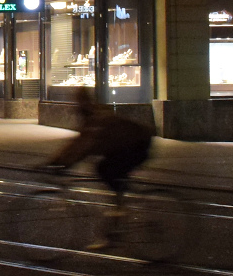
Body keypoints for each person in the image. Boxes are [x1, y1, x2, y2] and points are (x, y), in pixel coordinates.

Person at [46, 102, 155, 249]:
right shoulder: (94, 121)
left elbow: (82, 149)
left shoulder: (95, 124)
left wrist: (62, 165)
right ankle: (118, 212)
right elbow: (76, 146)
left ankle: (118, 214)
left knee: (104, 170)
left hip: (138, 146)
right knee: (108, 173)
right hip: (133, 144)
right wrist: (54, 161)